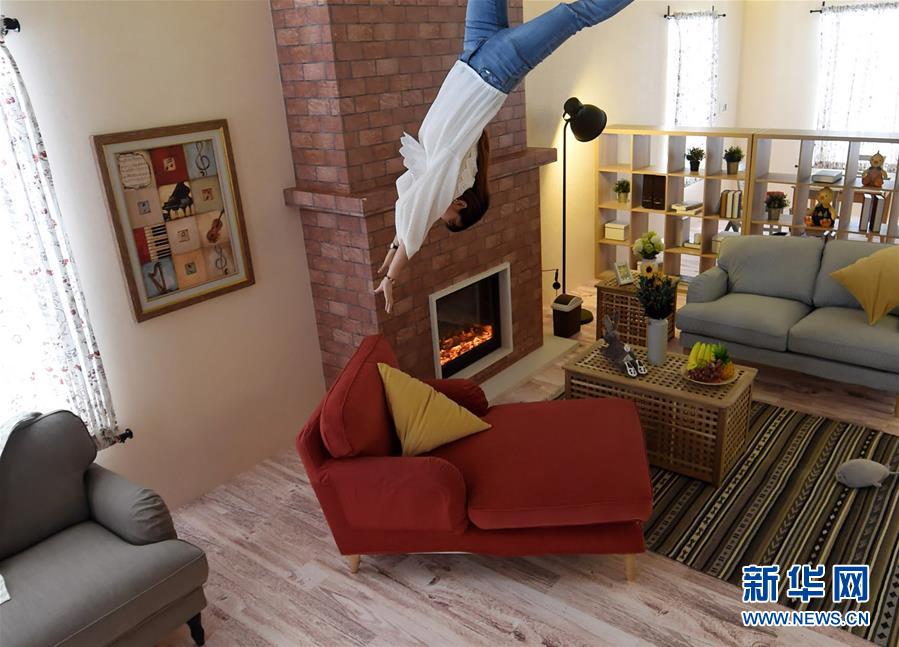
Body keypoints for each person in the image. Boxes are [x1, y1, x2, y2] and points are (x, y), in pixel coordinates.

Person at [375, 0, 633, 312]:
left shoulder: (434, 170)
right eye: (447, 218)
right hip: (498, 66)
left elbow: (409, 209)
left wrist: (391, 250)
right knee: (575, 14)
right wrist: (391, 277)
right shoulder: (453, 178)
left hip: (473, 50)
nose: (437, 216)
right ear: (460, 203)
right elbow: (417, 223)